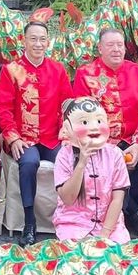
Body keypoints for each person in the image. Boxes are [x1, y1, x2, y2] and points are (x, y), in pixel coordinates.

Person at [73, 27, 138, 240]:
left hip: (131, 140)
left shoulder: (137, 73)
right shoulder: (86, 74)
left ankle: (126, 208)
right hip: (99, 143)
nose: (116, 50)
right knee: (109, 166)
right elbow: (78, 116)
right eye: (110, 45)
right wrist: (105, 147)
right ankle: (133, 211)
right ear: (100, 48)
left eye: (120, 45)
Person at [0, 21, 73, 246]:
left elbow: (67, 104)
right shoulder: (11, 70)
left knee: (68, 160)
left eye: (42, 39)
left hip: (52, 138)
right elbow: (3, 108)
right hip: (23, 138)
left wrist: (67, 135)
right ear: (24, 41)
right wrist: (12, 136)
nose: (38, 44)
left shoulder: (58, 70)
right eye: (33, 39)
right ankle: (29, 222)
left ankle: (69, 218)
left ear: (47, 42)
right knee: (29, 163)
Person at [53, 97, 130, 243]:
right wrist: (81, 163)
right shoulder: (64, 155)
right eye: (84, 122)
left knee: (114, 260)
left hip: (109, 225)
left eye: (99, 121)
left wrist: (104, 235)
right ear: (67, 128)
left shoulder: (115, 154)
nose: (94, 127)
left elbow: (117, 199)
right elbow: (68, 199)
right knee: (76, 259)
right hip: (74, 224)